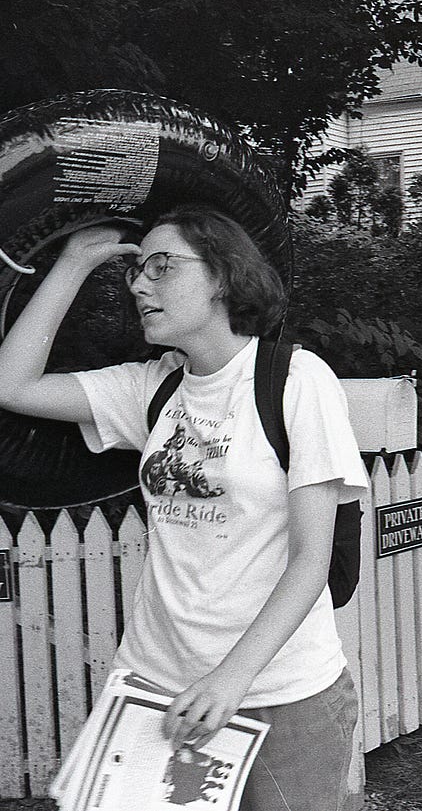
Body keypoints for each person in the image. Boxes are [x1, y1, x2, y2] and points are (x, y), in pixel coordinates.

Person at [0, 207, 367, 811]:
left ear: (223, 274)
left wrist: (231, 679)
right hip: (154, 685)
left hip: (280, 691)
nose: (140, 286)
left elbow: (310, 561)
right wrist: (75, 261)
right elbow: (12, 385)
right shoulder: (154, 387)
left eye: (162, 267)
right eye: (137, 271)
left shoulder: (296, 381)